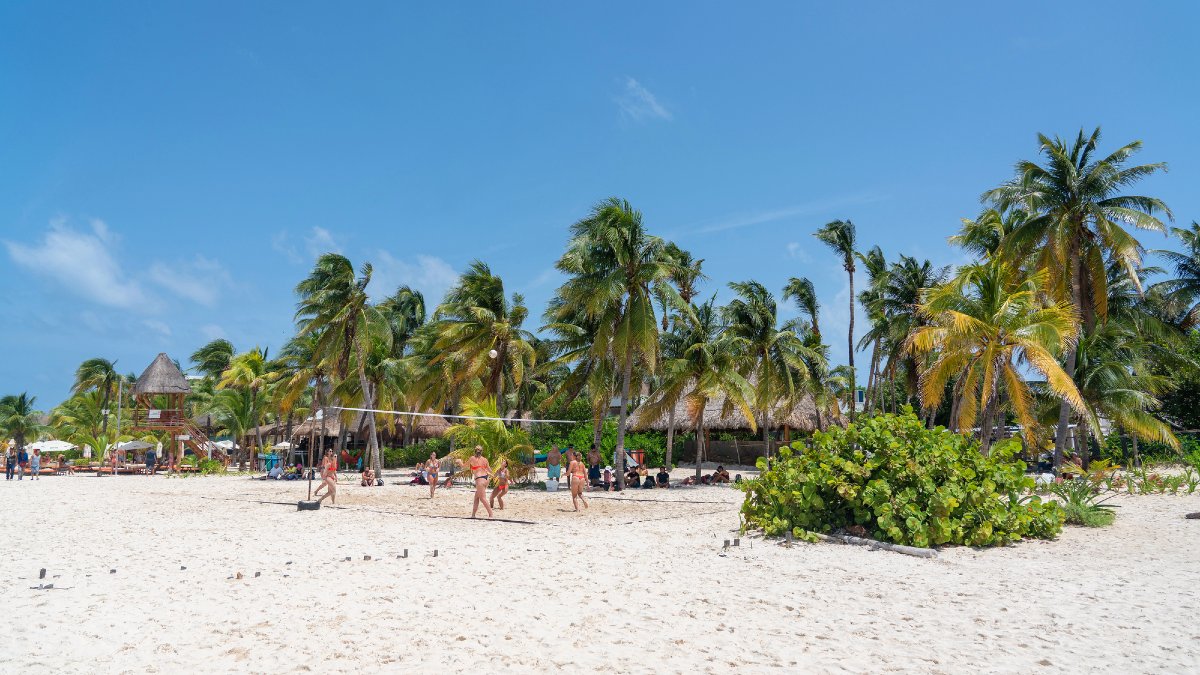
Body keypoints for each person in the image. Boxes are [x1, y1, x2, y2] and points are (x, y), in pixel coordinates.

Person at [469, 446, 493, 519]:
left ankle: (491, 514)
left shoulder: (472, 458)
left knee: (482, 498)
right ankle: (473, 515)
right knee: (476, 496)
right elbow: (490, 470)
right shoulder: (485, 459)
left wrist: (459, 462)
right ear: (481, 452)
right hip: (486, 479)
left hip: (480, 480)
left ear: (474, 451)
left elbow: (463, 466)